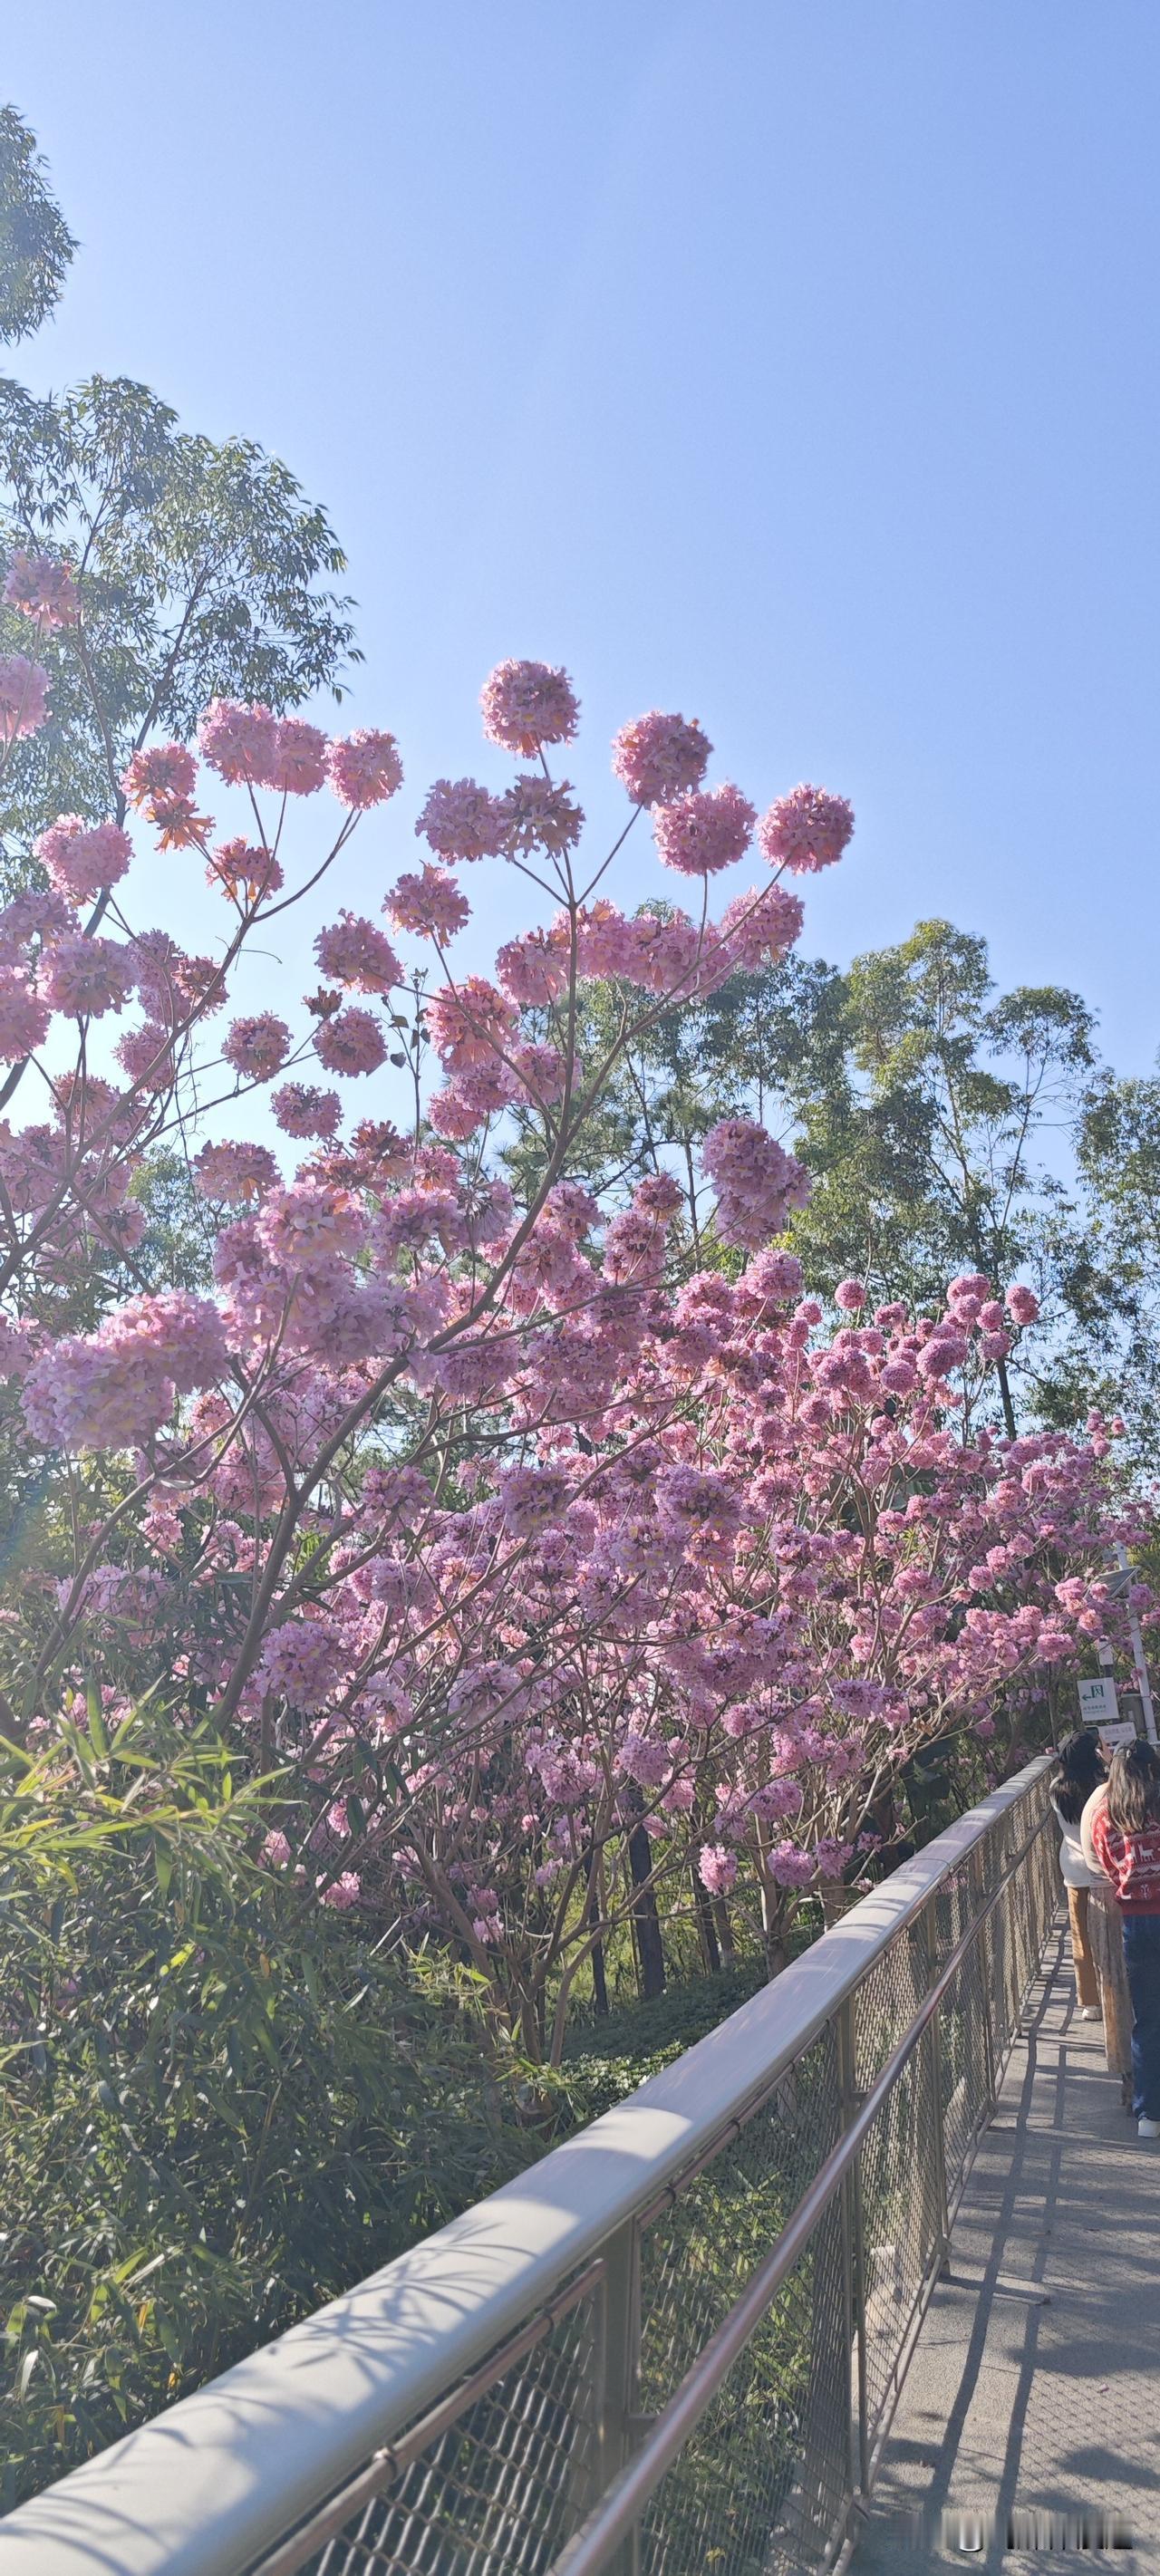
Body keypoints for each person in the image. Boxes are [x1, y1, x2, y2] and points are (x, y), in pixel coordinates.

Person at [1084, 1740, 1160, 2140]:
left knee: (1147, 2018)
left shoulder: (1104, 1816)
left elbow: (1106, 1867)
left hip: (1134, 1922)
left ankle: (1149, 2115)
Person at [1049, 1730, 1106, 2019]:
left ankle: (1091, 2002)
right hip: (1106, 1870)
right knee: (1113, 1933)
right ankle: (1118, 1992)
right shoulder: (1104, 1786)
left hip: (1075, 1870)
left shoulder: (1056, 1790)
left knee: (1082, 1936)